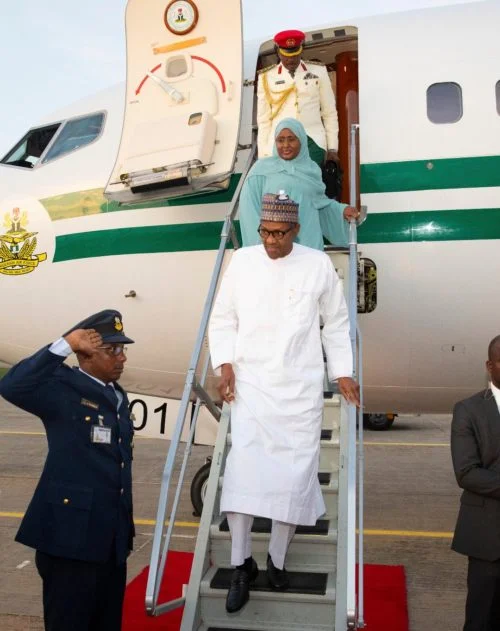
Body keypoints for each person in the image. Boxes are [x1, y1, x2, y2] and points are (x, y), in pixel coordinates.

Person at [208, 192, 360, 613]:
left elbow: (336, 323)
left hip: (299, 390)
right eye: (265, 232)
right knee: (243, 477)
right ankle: (241, 564)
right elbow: (223, 319)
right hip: (252, 386)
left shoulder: (317, 265)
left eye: (279, 233)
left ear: (295, 230)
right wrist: (224, 365)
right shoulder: (243, 262)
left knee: (293, 480)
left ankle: (276, 559)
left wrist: (342, 371)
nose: (271, 241)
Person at [0, 309, 135, 631]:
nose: (122, 357)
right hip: (69, 540)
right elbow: (12, 386)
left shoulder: (116, 394)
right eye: (112, 350)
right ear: (86, 355)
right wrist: (65, 344)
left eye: (122, 349)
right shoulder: (61, 388)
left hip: (110, 540)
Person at [240, 118, 359, 251]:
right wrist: (262, 245)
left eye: (291, 139)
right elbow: (249, 209)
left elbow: (320, 205)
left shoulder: (312, 170)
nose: (286, 145)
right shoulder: (261, 170)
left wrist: (342, 210)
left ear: (301, 140)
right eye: (280, 140)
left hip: (307, 247)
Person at [451, 335, 500, 631]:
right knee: (481, 620)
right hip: (487, 540)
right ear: (489, 366)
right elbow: (467, 473)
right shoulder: (468, 410)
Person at [257, 29, 338, 166]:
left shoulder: (318, 72)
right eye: (286, 55)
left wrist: (332, 148)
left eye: (295, 55)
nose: (291, 60)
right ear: (278, 52)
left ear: (301, 50)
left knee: (308, 179)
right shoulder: (266, 77)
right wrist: (263, 156)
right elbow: (264, 120)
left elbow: (329, 113)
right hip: (280, 144)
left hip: (313, 141)